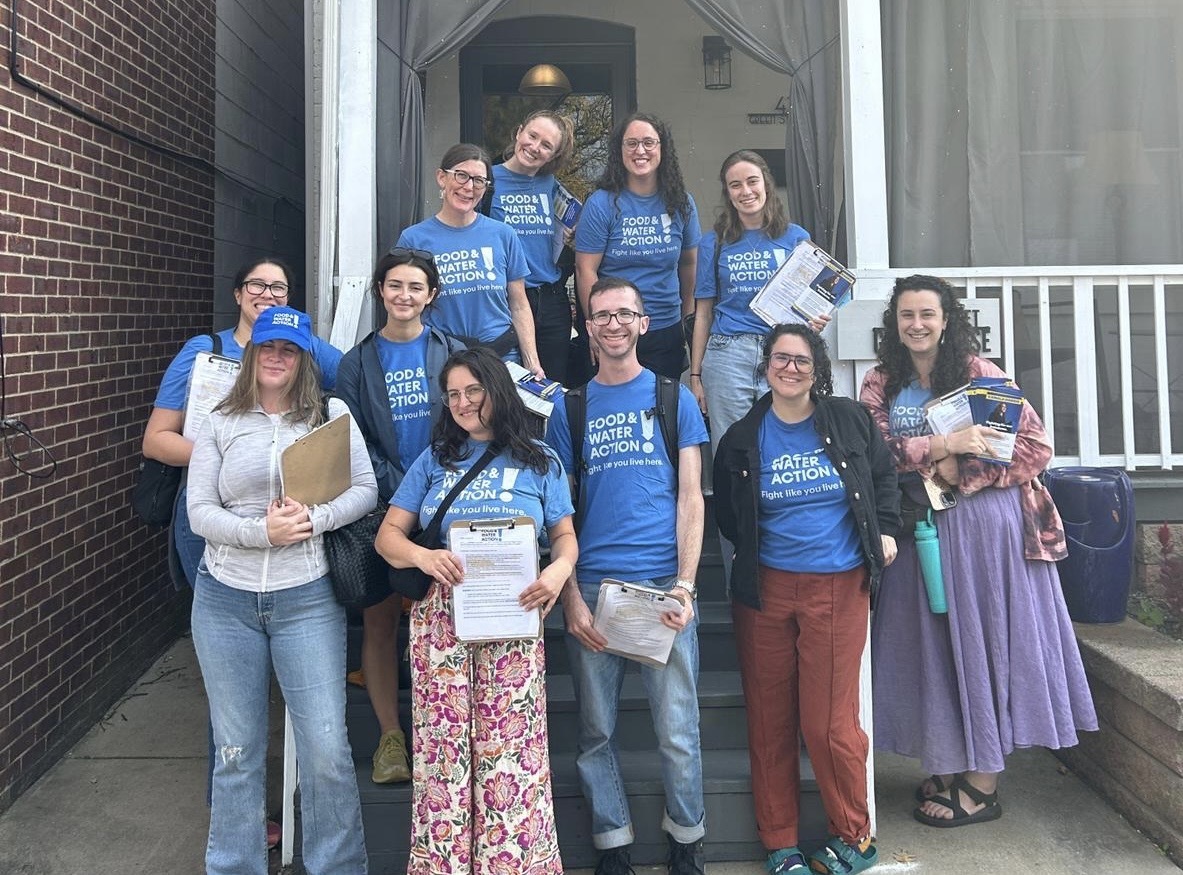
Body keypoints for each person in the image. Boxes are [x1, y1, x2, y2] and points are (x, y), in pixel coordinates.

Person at [859, 275, 1097, 828]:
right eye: (906, 315)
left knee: (983, 642)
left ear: (947, 320)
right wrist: (942, 444)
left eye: (928, 314)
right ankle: (950, 762)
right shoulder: (881, 382)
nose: (916, 325)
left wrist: (959, 468)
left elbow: (1034, 449)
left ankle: (983, 782)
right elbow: (872, 448)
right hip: (915, 529)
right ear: (894, 323)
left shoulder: (978, 375)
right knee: (934, 647)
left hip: (985, 534)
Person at [141, 257, 342, 838]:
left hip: (291, 529)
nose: (266, 292)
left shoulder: (298, 349)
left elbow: (352, 375)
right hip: (212, 521)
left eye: (279, 287)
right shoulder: (203, 351)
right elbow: (156, 439)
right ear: (237, 293)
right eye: (257, 284)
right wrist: (223, 453)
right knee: (231, 684)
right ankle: (238, 809)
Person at [187, 306, 375, 875]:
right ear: (251, 354)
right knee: (236, 750)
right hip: (225, 599)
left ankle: (337, 866)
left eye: (289, 350)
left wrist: (313, 519)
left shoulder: (330, 416)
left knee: (325, 751)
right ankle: (233, 865)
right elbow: (199, 512)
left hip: (307, 599)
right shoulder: (220, 419)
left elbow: (366, 490)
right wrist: (257, 533)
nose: (276, 356)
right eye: (267, 347)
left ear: (305, 360)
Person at [375, 346, 577, 875]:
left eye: (473, 390)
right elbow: (386, 537)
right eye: (453, 394)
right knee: (443, 753)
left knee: (512, 752)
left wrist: (555, 572)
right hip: (442, 619)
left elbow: (566, 538)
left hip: (513, 619)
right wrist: (424, 554)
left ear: (497, 391)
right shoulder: (435, 460)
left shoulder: (541, 461)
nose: (463, 403)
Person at [713, 324, 899, 875]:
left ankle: (855, 838)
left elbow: (884, 480)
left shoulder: (848, 419)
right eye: (779, 358)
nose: (788, 368)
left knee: (829, 723)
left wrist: (885, 529)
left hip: (837, 586)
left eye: (799, 360)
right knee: (770, 721)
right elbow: (729, 515)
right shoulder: (742, 438)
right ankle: (780, 844)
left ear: (817, 369)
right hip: (765, 591)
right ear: (765, 366)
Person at [545, 277, 710, 875]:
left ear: (643, 323)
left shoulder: (674, 399)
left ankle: (686, 839)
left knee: (677, 731)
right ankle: (612, 842)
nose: (612, 325)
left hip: (663, 586)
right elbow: (556, 509)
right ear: (587, 328)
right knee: (595, 732)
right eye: (601, 316)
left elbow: (691, 499)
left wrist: (686, 584)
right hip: (593, 589)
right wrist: (569, 598)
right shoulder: (571, 406)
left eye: (624, 314)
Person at [334, 249, 465, 786]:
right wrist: (399, 490)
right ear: (381, 292)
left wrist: (431, 489)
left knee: (445, 619)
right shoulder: (356, 363)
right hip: (383, 509)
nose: (404, 296)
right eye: (394, 286)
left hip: (447, 505)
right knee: (383, 620)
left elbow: (471, 421)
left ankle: (446, 735)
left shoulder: (455, 353)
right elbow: (349, 439)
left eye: (415, 286)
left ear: (431, 294)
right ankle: (391, 736)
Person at [687, 149, 815, 581]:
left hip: (782, 355)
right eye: (735, 185)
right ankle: (739, 572)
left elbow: (817, 300)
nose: (746, 192)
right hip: (728, 354)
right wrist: (697, 373)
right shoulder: (715, 241)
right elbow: (703, 310)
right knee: (733, 464)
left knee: (784, 453)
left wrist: (816, 319)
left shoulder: (795, 237)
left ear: (766, 184)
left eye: (752, 182)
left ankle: (783, 566)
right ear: (727, 192)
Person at [394, 143, 544, 378]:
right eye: (461, 176)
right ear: (442, 178)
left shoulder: (504, 235)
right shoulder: (414, 239)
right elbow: (403, 306)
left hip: (502, 359)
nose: (469, 187)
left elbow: (519, 304)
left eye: (478, 180)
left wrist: (532, 361)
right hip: (443, 360)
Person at [574, 113, 701, 381]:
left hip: (664, 327)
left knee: (662, 410)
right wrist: (596, 329)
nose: (639, 151)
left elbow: (689, 263)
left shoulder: (682, 203)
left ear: (662, 149)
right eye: (631, 143)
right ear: (619, 151)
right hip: (614, 329)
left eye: (648, 143)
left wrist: (687, 319)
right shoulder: (601, 204)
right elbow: (586, 270)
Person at [487, 110, 577, 384]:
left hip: (551, 301)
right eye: (532, 136)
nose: (535, 147)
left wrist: (572, 237)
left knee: (552, 388)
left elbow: (564, 235)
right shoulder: (487, 181)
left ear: (553, 155)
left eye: (546, 145)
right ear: (519, 132)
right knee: (507, 388)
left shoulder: (551, 186)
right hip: (504, 300)